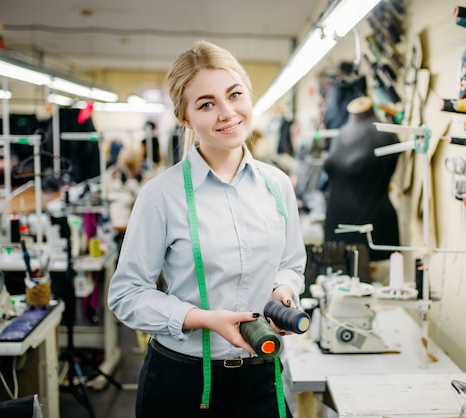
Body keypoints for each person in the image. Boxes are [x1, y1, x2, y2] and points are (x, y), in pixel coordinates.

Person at [108, 40, 306, 418]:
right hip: (182, 382)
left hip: (260, 376)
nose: (227, 113)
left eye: (235, 95)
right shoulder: (161, 195)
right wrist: (202, 318)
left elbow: (292, 263)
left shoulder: (277, 185)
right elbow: (126, 294)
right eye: (206, 104)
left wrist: (284, 287)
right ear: (185, 118)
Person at [323, 96, 401, 281]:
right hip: (335, 226)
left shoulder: (385, 135)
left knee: (372, 298)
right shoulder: (339, 135)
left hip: (372, 229)